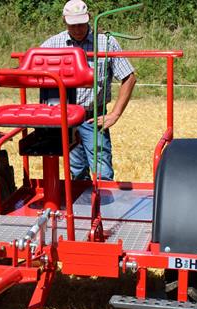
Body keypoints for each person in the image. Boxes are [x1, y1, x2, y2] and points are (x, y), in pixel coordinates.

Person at [40, 0, 136, 181]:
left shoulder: (106, 42)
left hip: (94, 117)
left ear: (89, 19)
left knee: (103, 173)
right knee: (76, 172)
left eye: (81, 23)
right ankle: (80, 208)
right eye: (72, 24)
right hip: (66, 117)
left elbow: (129, 77)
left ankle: (103, 208)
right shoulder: (53, 44)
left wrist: (115, 114)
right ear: (64, 21)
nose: (77, 29)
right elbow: (30, 68)